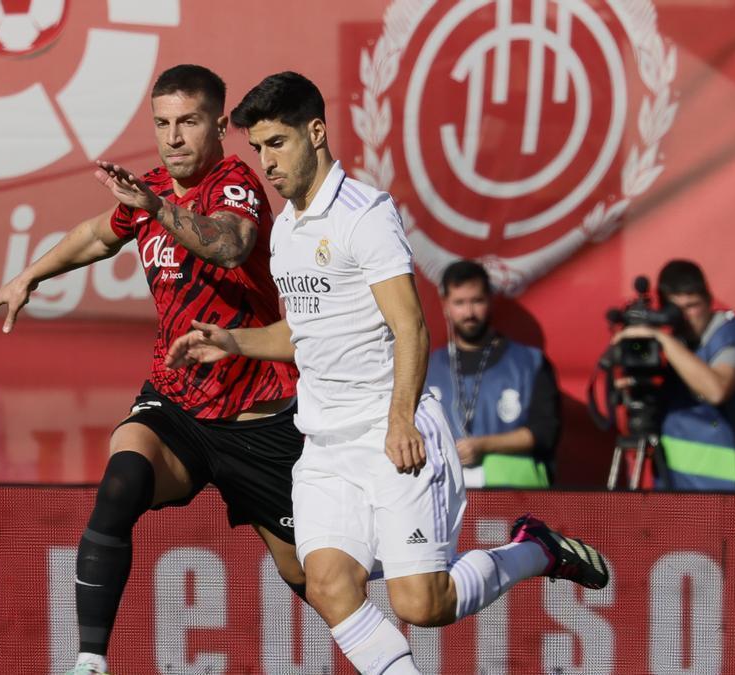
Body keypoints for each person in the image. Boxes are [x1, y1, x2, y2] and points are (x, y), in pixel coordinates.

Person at [167, 71, 608, 674]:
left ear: (316, 132)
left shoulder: (364, 214)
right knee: (325, 584)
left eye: (277, 143)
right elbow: (303, 332)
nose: (266, 162)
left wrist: (402, 420)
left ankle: (534, 550)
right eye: (258, 149)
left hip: (388, 432)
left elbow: (412, 327)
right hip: (324, 447)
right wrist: (233, 341)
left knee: (421, 605)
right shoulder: (287, 232)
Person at [0, 64, 304, 675]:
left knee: (314, 578)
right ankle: (89, 662)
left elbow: (227, 244)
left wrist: (154, 204)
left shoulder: (237, 183)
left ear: (219, 125)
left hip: (253, 416)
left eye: (188, 122)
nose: (173, 137)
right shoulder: (148, 190)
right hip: (176, 403)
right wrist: (28, 276)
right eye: (162, 123)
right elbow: (97, 237)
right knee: (121, 481)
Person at [425, 260, 560, 488]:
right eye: (459, 302)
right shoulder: (428, 368)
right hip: (445, 498)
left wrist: (483, 445)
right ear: (445, 305)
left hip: (512, 499)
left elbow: (545, 433)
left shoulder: (529, 363)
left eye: (477, 301)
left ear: (490, 299)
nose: (469, 312)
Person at [613, 259, 735, 491]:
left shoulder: (728, 334)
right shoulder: (674, 343)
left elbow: (717, 390)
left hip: (725, 496)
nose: (686, 317)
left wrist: (663, 339)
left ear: (709, 300)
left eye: (692, 306)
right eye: (676, 310)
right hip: (676, 493)